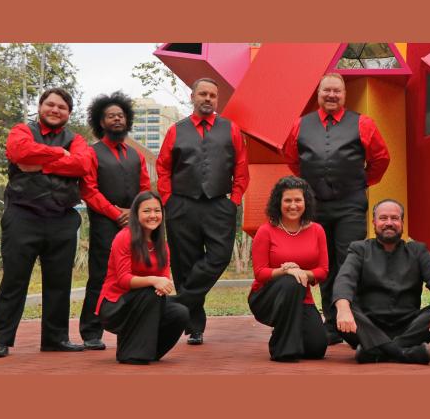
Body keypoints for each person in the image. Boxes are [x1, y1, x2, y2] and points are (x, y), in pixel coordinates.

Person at [283, 73, 390, 345]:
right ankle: (331, 324)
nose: (332, 96)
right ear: (318, 94)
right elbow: (292, 159)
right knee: (324, 264)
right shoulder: (299, 125)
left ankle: (354, 320)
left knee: (350, 260)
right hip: (315, 206)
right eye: (326, 91)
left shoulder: (363, 123)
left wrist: (361, 181)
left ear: (344, 95)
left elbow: (380, 158)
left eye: (337, 91)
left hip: (350, 205)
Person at [0, 88, 90, 358]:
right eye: (51, 105)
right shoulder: (22, 130)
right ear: (40, 106)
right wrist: (61, 156)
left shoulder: (76, 139)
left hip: (61, 219)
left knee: (59, 282)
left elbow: (83, 165)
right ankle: (0, 339)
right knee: (14, 280)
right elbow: (18, 151)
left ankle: (55, 339)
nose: (55, 110)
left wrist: (42, 163)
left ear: (69, 113)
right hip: (23, 216)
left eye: (62, 107)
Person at [156, 78, 249, 345]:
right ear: (192, 97)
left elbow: (241, 167)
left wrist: (235, 199)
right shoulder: (176, 130)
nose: (208, 99)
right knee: (185, 265)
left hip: (220, 203)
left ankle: (179, 302)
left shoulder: (230, 129)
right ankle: (194, 326)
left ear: (217, 100)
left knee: (219, 257)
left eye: (212, 95)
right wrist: (168, 199)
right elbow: (163, 167)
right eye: (203, 94)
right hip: (182, 204)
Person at [332, 199, 430, 365]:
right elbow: (345, 279)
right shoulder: (360, 249)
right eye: (383, 218)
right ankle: (404, 352)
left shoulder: (417, 250)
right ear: (373, 222)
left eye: (395, 218)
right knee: (340, 310)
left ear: (402, 223)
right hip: (368, 325)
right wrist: (344, 309)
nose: (389, 223)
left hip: (409, 326)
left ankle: (375, 352)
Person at [78, 92, 151, 351]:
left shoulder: (136, 155)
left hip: (134, 224)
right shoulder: (91, 153)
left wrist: (133, 215)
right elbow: (89, 190)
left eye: (120, 115)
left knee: (134, 274)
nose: (117, 119)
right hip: (105, 223)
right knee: (99, 276)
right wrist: (115, 213)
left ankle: (131, 327)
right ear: (101, 122)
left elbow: (144, 188)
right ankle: (90, 331)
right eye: (111, 116)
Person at [96, 191, 189, 365]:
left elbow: (164, 280)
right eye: (146, 211)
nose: (153, 215)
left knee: (180, 312)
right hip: (115, 305)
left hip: (147, 303)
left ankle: (149, 351)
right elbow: (124, 280)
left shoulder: (162, 245)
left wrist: (162, 284)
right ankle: (131, 354)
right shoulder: (124, 237)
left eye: (157, 210)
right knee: (149, 293)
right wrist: (154, 281)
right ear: (136, 214)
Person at [248, 176, 328, 362]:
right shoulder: (266, 231)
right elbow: (260, 273)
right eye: (288, 200)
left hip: (302, 298)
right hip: (268, 297)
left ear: (306, 202)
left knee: (316, 348)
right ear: (279, 202)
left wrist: (302, 272)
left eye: (298, 200)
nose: (293, 205)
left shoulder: (317, 230)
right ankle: (282, 349)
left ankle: (288, 329)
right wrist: (287, 271)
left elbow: (323, 271)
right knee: (291, 282)